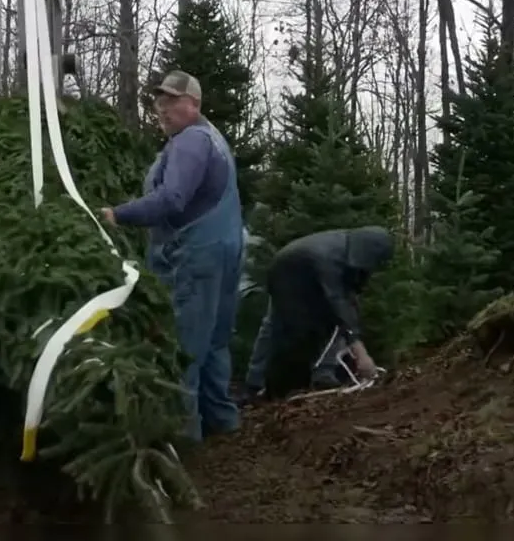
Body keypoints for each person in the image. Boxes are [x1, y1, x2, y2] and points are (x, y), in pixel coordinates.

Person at [99, 70, 245, 443]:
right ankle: (222, 423)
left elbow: (171, 198)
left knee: (183, 346)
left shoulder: (191, 141)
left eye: (172, 101)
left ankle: (183, 436)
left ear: (194, 104)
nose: (162, 109)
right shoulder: (213, 139)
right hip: (224, 252)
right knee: (213, 342)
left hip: (195, 257)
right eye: (159, 101)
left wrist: (119, 215)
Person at [242, 226, 394, 399]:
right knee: (289, 328)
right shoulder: (330, 257)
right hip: (289, 275)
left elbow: (350, 292)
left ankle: (260, 382)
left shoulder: (348, 247)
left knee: (275, 324)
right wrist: (361, 354)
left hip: (298, 269)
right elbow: (337, 302)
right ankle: (273, 384)